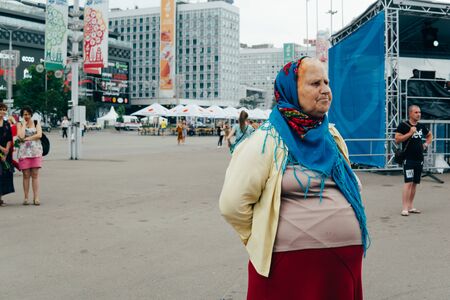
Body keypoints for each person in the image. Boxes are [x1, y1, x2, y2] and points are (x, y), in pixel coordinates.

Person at [219, 57, 369, 299]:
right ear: (290, 90)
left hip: (342, 263)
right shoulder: (266, 140)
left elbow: (349, 183)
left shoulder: (331, 135)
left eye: (327, 82)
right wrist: (260, 236)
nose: (325, 90)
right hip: (288, 265)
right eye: (315, 83)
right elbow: (232, 204)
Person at [395, 105, 432, 216]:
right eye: (416, 112)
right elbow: (397, 139)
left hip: (419, 159)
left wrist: (426, 144)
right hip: (408, 159)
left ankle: (411, 206)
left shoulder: (421, 126)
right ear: (410, 113)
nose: (419, 114)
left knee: (415, 183)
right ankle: (405, 208)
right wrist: (410, 133)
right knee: (408, 182)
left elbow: (429, 135)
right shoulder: (403, 125)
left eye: (419, 112)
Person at [17, 106, 43, 206]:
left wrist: (28, 139)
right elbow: (21, 136)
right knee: (26, 175)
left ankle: (36, 197)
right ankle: (26, 197)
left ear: (31, 114)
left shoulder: (36, 122)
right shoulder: (20, 124)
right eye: (24, 114)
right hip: (24, 153)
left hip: (35, 152)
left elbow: (39, 135)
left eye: (28, 114)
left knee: (35, 175)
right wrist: (24, 125)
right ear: (22, 115)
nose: (26, 116)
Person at [0, 103, 15, 206]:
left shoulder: (6, 123)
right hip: (0, 150)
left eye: (4, 109)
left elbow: (10, 138)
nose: (2, 111)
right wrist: (1, 148)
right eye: (1, 109)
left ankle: (0, 197)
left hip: (6, 153)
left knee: (4, 175)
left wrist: (6, 150)